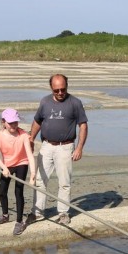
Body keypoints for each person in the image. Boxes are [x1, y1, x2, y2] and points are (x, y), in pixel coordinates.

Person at [26, 74, 88, 226]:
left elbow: (83, 125)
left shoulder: (75, 103)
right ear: (51, 88)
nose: (60, 93)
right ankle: (38, 212)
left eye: (63, 89)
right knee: (40, 180)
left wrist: (79, 147)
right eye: (56, 90)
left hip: (65, 147)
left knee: (64, 183)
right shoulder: (45, 101)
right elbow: (37, 121)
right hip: (46, 146)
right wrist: (31, 138)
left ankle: (63, 213)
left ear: (67, 86)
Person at [0, 108, 36, 235]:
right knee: (2, 191)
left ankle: (19, 221)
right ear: (3, 122)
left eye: (15, 122)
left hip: (22, 163)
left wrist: (32, 175)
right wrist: (4, 168)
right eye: (10, 123)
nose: (13, 125)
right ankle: (5, 215)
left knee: (18, 191)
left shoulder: (23, 136)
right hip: (7, 165)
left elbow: (30, 155)